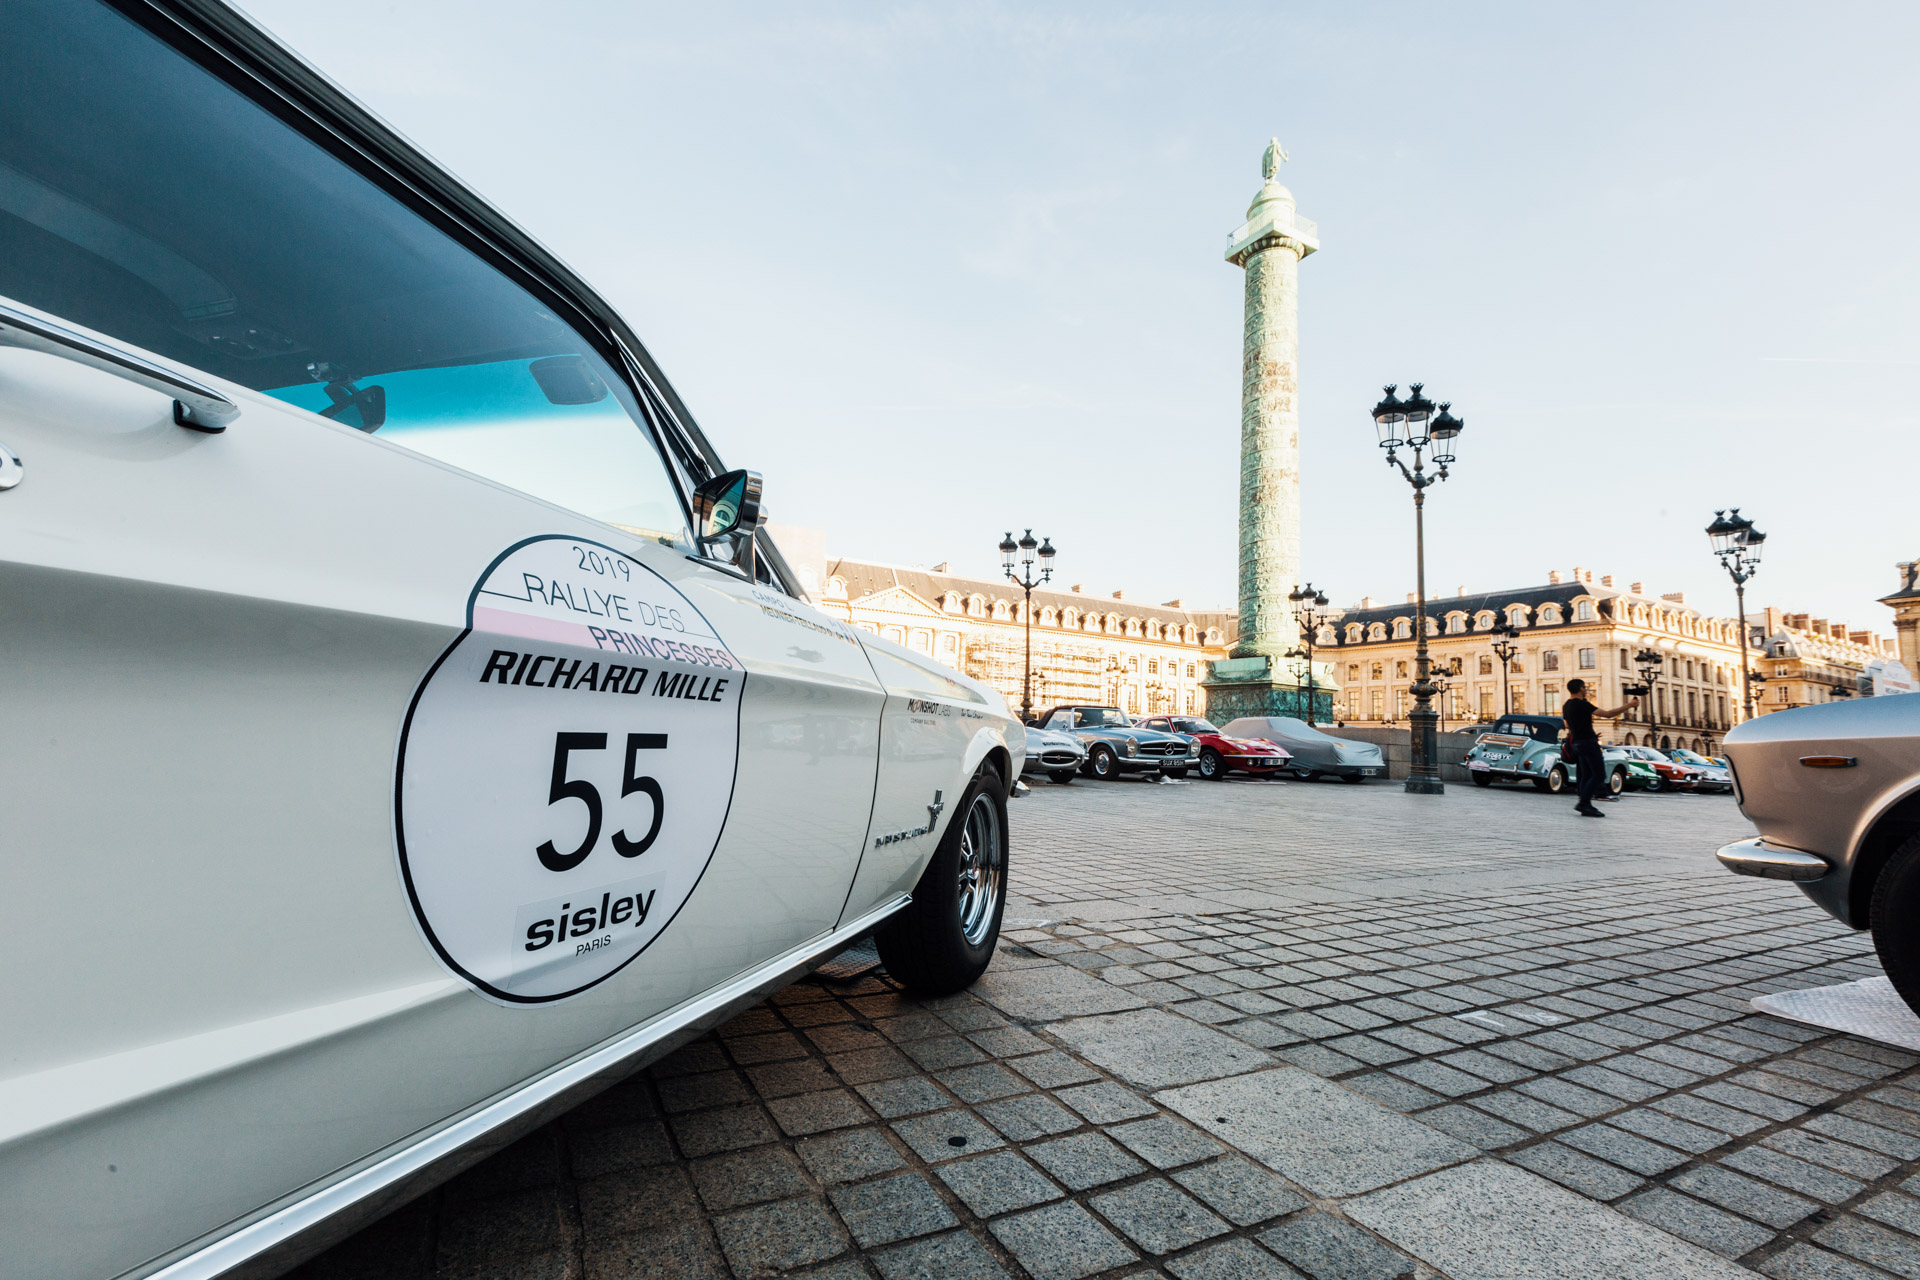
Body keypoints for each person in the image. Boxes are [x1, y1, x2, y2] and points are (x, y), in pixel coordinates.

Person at [1563, 679, 1639, 817]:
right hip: (1588, 742)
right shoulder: (1582, 704)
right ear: (1581, 688)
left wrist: (1583, 729)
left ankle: (1585, 804)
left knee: (1586, 774)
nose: (1585, 689)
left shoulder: (1566, 705)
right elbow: (1608, 714)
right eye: (1584, 687)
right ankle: (1584, 803)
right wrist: (1629, 705)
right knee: (1599, 774)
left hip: (1577, 743)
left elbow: (1567, 725)